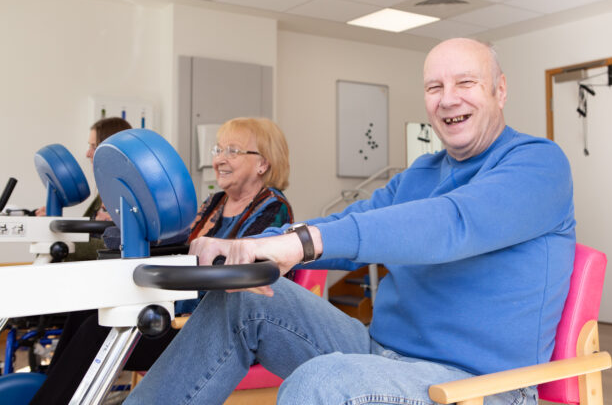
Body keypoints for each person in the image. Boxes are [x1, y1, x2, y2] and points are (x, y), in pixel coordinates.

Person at [126, 38, 576, 405]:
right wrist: (256, 244)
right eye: (434, 87)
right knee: (244, 300)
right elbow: (354, 220)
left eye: (466, 82)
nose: (448, 98)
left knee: (322, 383)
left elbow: (449, 224)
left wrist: (303, 243)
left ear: (500, 90)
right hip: (383, 355)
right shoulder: (421, 172)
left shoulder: (537, 164)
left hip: (480, 386)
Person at [29, 117, 293, 405]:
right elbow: (180, 246)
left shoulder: (274, 208)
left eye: (233, 150)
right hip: (176, 310)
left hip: (209, 327)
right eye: (217, 150)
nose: (219, 160)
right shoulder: (215, 202)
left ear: (263, 164)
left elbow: (245, 274)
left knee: (97, 331)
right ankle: (51, 393)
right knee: (86, 310)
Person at [33, 117, 131, 259]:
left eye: (94, 146)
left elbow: (110, 248)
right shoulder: (102, 195)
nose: (87, 153)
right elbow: (84, 237)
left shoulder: (128, 196)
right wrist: (51, 228)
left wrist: (60, 239)